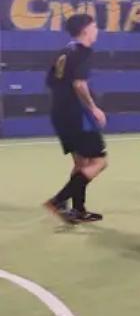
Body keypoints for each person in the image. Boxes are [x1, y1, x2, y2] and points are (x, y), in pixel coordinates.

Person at [43, 14, 108, 224]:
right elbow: (79, 84)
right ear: (85, 30)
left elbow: (51, 82)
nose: (97, 30)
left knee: (81, 163)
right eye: (95, 26)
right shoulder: (82, 51)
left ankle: (78, 210)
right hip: (77, 115)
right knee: (99, 161)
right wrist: (93, 108)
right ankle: (59, 200)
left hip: (59, 114)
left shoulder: (64, 52)